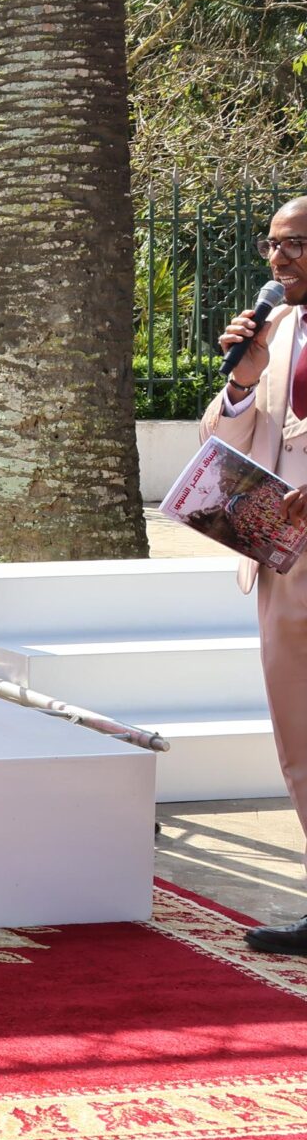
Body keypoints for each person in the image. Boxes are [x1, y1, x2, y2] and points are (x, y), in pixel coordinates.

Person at [207, 195, 307, 956]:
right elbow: (223, 438)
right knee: (300, 737)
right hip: (283, 562)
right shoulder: (275, 331)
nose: (278, 259)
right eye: (272, 244)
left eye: (296, 244)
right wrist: (242, 381)